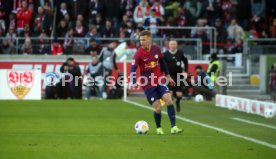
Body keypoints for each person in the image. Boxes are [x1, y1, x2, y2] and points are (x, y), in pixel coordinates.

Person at [130, 30, 182, 135]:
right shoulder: (138, 54)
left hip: (159, 80)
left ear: (149, 39)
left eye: (143, 40)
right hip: (148, 85)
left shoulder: (156, 49)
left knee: (169, 100)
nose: (141, 42)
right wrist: (134, 81)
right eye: (140, 40)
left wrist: (168, 76)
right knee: (158, 108)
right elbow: (133, 69)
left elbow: (162, 63)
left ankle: (174, 127)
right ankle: (158, 128)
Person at [163, 40, 188, 112]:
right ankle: (171, 109)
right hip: (169, 76)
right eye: (171, 44)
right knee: (169, 94)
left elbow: (185, 62)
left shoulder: (180, 53)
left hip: (179, 76)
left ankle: (177, 102)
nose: (173, 46)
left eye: (174, 44)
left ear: (176, 45)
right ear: (169, 45)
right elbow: (162, 64)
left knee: (179, 94)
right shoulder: (165, 54)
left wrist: (185, 71)